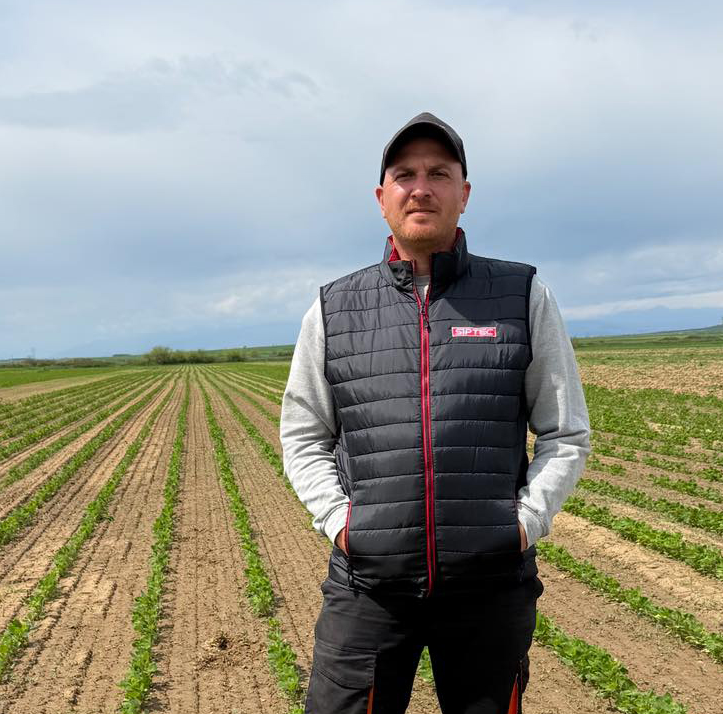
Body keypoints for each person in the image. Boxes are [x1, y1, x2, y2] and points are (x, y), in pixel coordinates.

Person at [280, 112, 591, 714]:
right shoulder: (333, 308)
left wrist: (524, 522)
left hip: (489, 587)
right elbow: (304, 434)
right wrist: (342, 522)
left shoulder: (522, 295)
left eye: (438, 174)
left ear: (463, 193)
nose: (420, 188)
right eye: (405, 175)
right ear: (382, 198)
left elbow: (565, 432)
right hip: (368, 588)